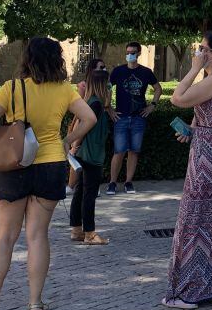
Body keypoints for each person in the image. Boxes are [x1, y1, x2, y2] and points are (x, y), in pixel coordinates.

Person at [0, 37, 97, 310]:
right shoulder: (65, 91)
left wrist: (4, 143)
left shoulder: (12, 88)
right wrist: (67, 140)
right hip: (51, 164)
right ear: (57, 59)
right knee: (37, 236)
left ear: (27, 59)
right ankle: (34, 304)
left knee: (4, 237)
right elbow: (89, 118)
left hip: (14, 166)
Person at [163, 32, 212, 309]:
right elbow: (210, 116)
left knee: (195, 219)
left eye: (203, 48)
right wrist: (193, 130)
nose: (198, 51)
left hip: (211, 156)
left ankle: (189, 291)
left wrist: (194, 67)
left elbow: (177, 97)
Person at [107, 42, 162, 195]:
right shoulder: (118, 71)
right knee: (119, 151)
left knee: (134, 151)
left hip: (138, 117)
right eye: (128, 52)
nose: (130, 54)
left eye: (133, 52)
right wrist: (109, 108)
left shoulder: (146, 72)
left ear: (139, 54)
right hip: (121, 117)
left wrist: (152, 105)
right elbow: (108, 88)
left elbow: (158, 88)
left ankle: (128, 182)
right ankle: (112, 182)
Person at [69, 67, 112, 245]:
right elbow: (83, 127)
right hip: (91, 153)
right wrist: (75, 146)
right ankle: (89, 233)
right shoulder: (96, 104)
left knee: (80, 191)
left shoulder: (91, 101)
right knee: (89, 194)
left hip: (84, 152)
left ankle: (76, 230)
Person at [67, 56, 106, 196]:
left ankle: (84, 187)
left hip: (94, 134)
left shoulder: (98, 98)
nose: (103, 70)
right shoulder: (89, 95)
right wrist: (73, 141)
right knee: (76, 152)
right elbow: (82, 114)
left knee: (83, 189)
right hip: (88, 134)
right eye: (100, 68)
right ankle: (72, 185)